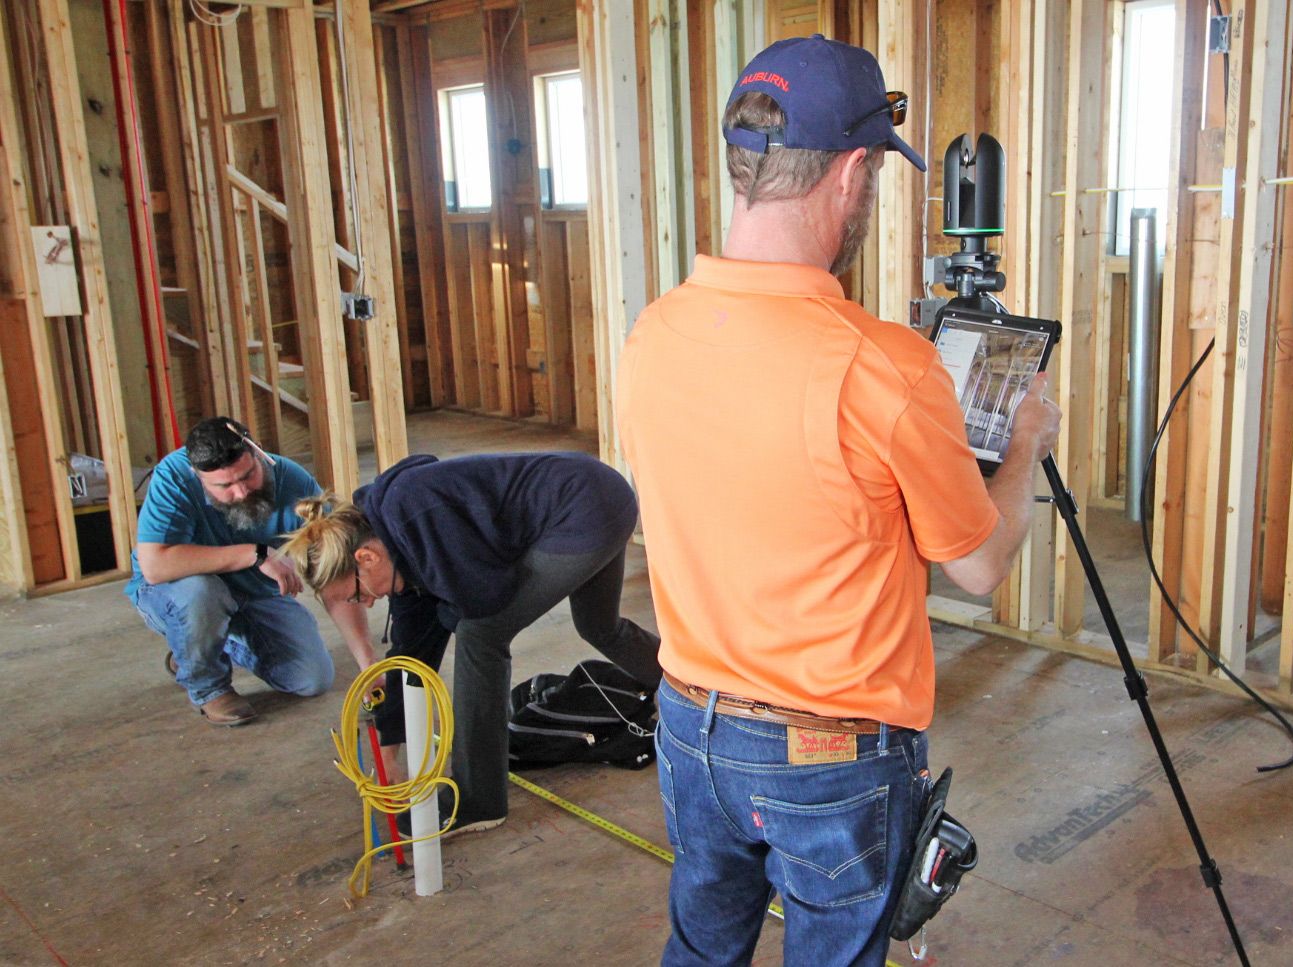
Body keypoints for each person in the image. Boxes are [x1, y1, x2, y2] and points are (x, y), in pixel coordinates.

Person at [616, 34, 1063, 966]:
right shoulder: (885, 367)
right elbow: (977, 567)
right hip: (827, 760)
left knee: (700, 949)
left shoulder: (653, 333)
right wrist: (1020, 452)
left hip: (687, 729)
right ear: (852, 172)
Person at [278, 451, 662, 833]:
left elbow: (486, 596)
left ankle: (478, 801)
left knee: (482, 635)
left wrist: (440, 611)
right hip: (598, 492)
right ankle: (696, 685)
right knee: (599, 625)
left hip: (581, 509)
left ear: (366, 557)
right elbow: (411, 654)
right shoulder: (397, 540)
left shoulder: (416, 517)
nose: (367, 602)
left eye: (356, 594)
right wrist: (387, 748)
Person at [128, 418, 376, 726]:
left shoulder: (295, 483)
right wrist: (254, 553)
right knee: (202, 593)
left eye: (248, 476)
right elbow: (155, 566)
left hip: (254, 593)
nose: (242, 492)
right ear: (198, 477)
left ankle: (204, 646)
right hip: (178, 591)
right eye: (225, 486)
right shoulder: (173, 477)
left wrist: (369, 666)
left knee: (312, 678)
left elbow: (334, 577)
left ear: (258, 452)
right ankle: (208, 688)